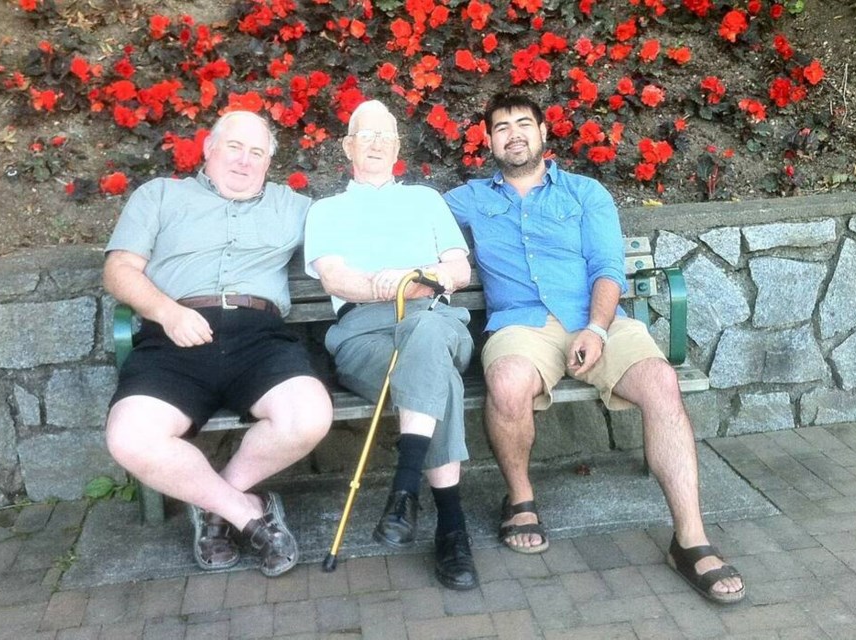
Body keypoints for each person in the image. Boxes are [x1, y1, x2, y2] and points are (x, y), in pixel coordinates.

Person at [444, 92, 745, 604]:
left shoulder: (585, 193)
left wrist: (598, 329)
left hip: (598, 320)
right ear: (488, 140)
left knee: (661, 381)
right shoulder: (468, 199)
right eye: (500, 127)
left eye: (523, 123)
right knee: (507, 380)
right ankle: (519, 500)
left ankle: (690, 539)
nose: (513, 134)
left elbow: (609, 268)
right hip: (522, 325)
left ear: (544, 133)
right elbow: (407, 220)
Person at [103, 111, 333, 578]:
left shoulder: (297, 208)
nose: (244, 161)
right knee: (130, 436)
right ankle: (249, 514)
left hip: (259, 338)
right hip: (174, 335)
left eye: (257, 153)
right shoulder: (160, 196)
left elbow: (355, 243)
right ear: (208, 150)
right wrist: (168, 312)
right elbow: (119, 270)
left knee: (308, 416)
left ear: (269, 162)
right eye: (234, 147)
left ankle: (216, 509)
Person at [303, 100, 479, 590]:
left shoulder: (425, 201)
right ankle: (451, 525)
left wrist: (411, 280)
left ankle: (405, 489)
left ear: (399, 147)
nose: (377, 143)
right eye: (366, 134)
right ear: (348, 146)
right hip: (365, 335)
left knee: (425, 336)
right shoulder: (327, 210)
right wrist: (406, 282)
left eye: (386, 135)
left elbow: (458, 270)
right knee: (435, 376)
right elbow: (337, 278)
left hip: (435, 320)